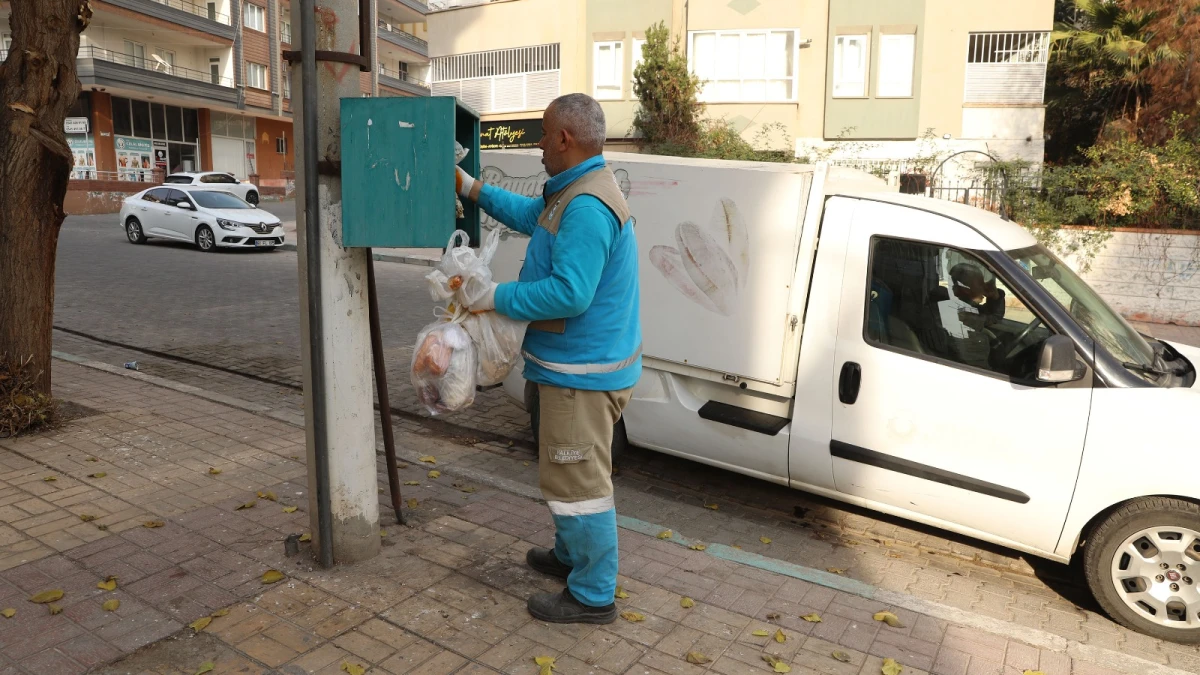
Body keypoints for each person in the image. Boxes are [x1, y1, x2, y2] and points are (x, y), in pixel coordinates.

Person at [453, 93, 641, 625]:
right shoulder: (572, 192)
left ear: (564, 139)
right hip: (573, 366)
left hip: (581, 375)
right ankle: (569, 556)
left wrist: (493, 298)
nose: (537, 143)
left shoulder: (585, 205)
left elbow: (570, 293)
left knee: (579, 486)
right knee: (564, 475)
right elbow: (528, 212)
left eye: (542, 133)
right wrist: (470, 187)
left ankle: (592, 594)